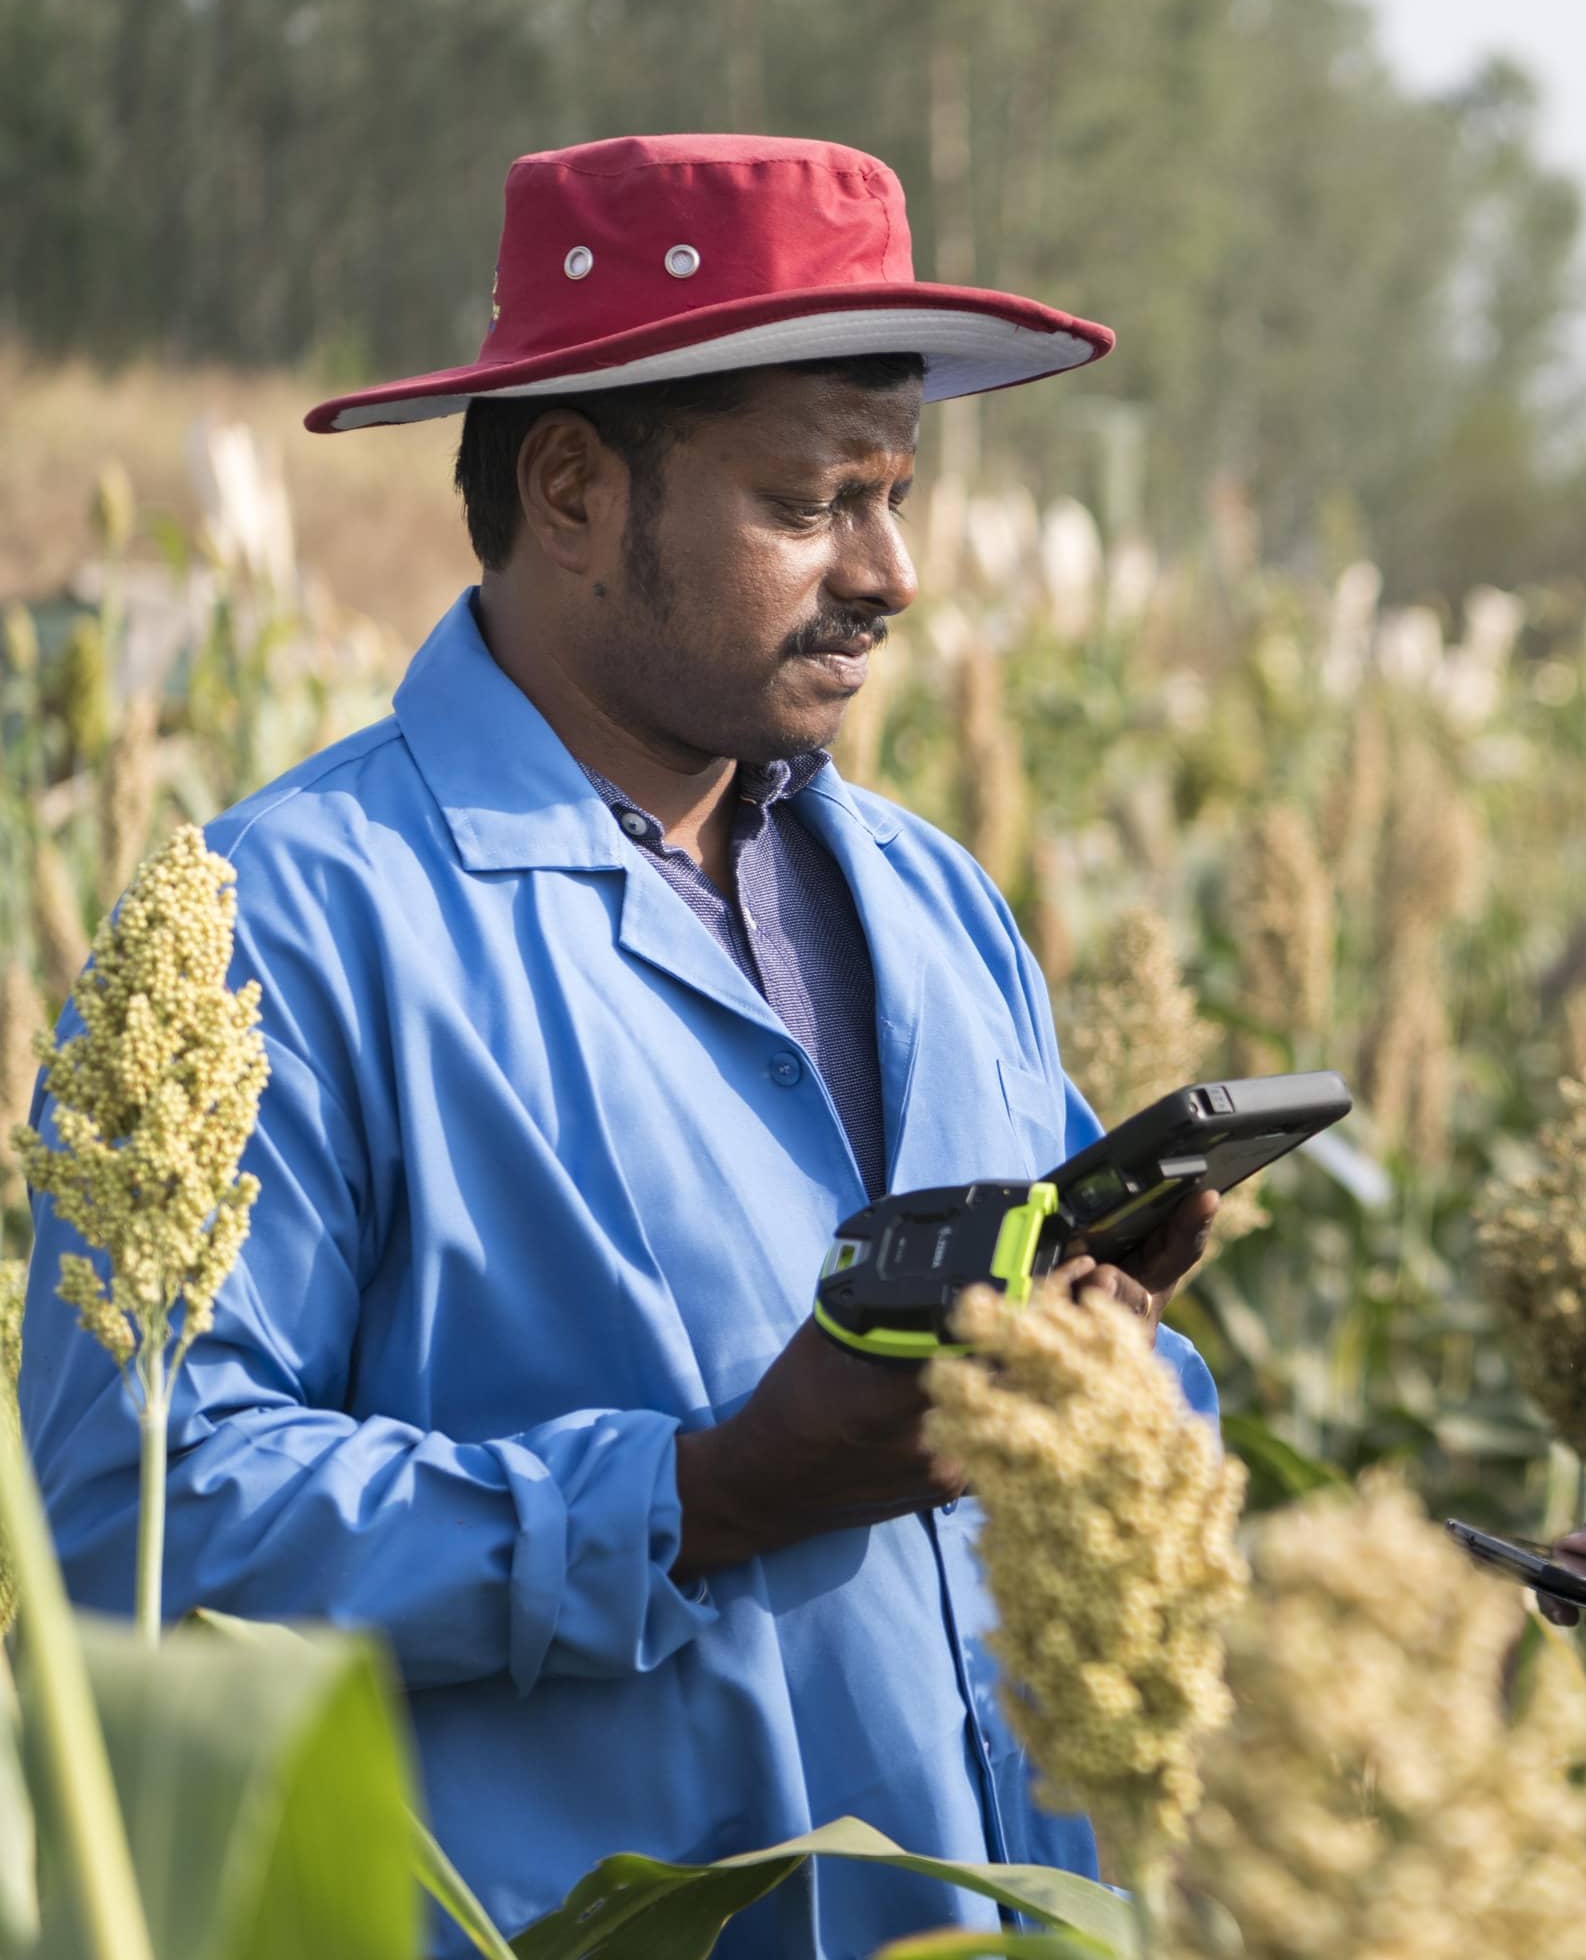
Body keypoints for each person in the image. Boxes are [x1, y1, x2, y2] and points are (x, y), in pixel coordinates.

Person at [21, 133, 1221, 1958]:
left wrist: (1128, 1401)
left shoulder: (933, 900)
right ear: (575, 489)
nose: (890, 572)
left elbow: (1086, 1452)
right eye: (815, 502)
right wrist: (699, 1495)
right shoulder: (289, 925)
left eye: (898, 495)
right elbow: (138, 1526)